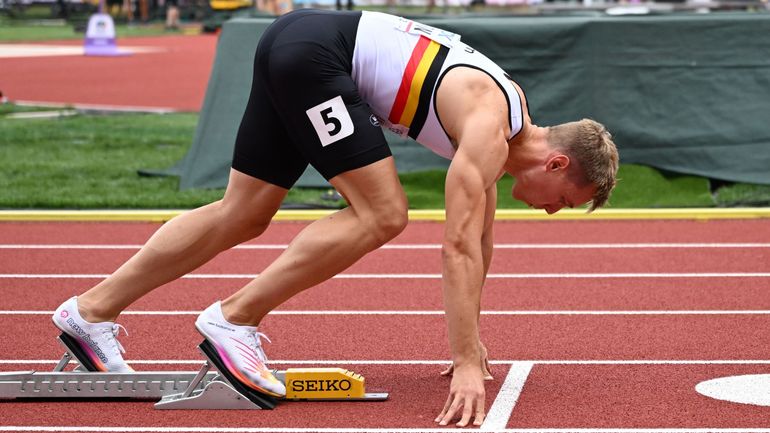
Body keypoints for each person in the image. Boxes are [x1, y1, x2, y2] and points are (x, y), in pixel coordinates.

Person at [52, 9, 618, 427]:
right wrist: (465, 360)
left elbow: (481, 244)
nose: (550, 209)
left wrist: (471, 344)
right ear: (557, 162)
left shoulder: (505, 120)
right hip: (315, 57)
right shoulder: (491, 125)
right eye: (563, 198)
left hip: (298, 42)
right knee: (383, 213)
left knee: (243, 213)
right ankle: (234, 320)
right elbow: (458, 247)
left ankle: (89, 312)